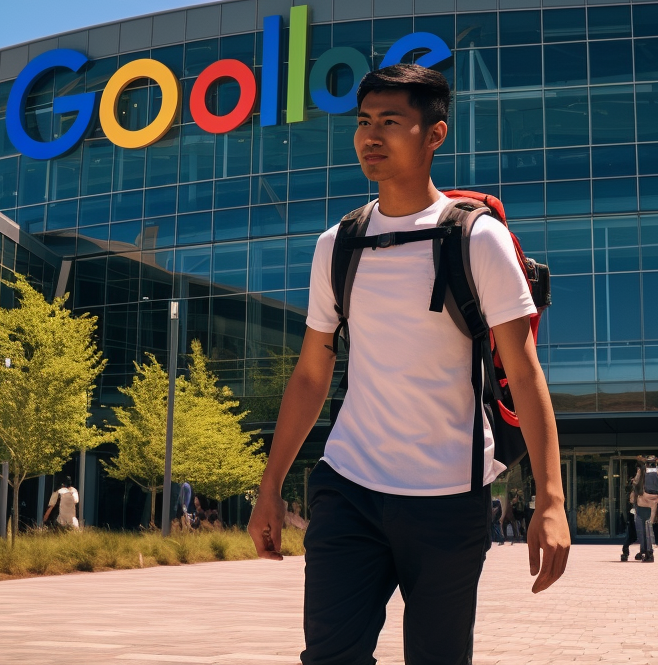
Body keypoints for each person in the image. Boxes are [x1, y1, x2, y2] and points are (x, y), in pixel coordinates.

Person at [245, 64, 571, 665]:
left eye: (391, 122)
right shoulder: (337, 244)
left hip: (449, 498)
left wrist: (550, 501)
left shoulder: (477, 240)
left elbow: (525, 374)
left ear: (434, 134)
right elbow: (311, 375)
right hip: (349, 486)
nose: (371, 136)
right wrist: (271, 487)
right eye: (364, 122)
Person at [633, 464, 658, 563]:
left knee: (642, 527)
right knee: (649, 525)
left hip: (643, 501)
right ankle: (648, 551)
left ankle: (647, 551)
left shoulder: (642, 472)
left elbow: (635, 484)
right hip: (654, 501)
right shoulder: (656, 472)